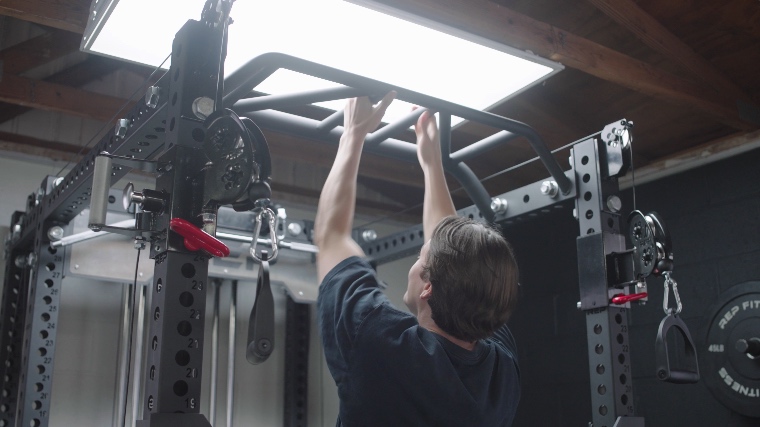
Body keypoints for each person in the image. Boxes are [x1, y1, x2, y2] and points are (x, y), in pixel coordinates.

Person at [314, 93, 521, 427]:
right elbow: (448, 245)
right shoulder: (501, 370)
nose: (421, 252)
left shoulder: (378, 342)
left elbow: (331, 236)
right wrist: (431, 161)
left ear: (427, 287)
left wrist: (353, 132)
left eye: (420, 255)